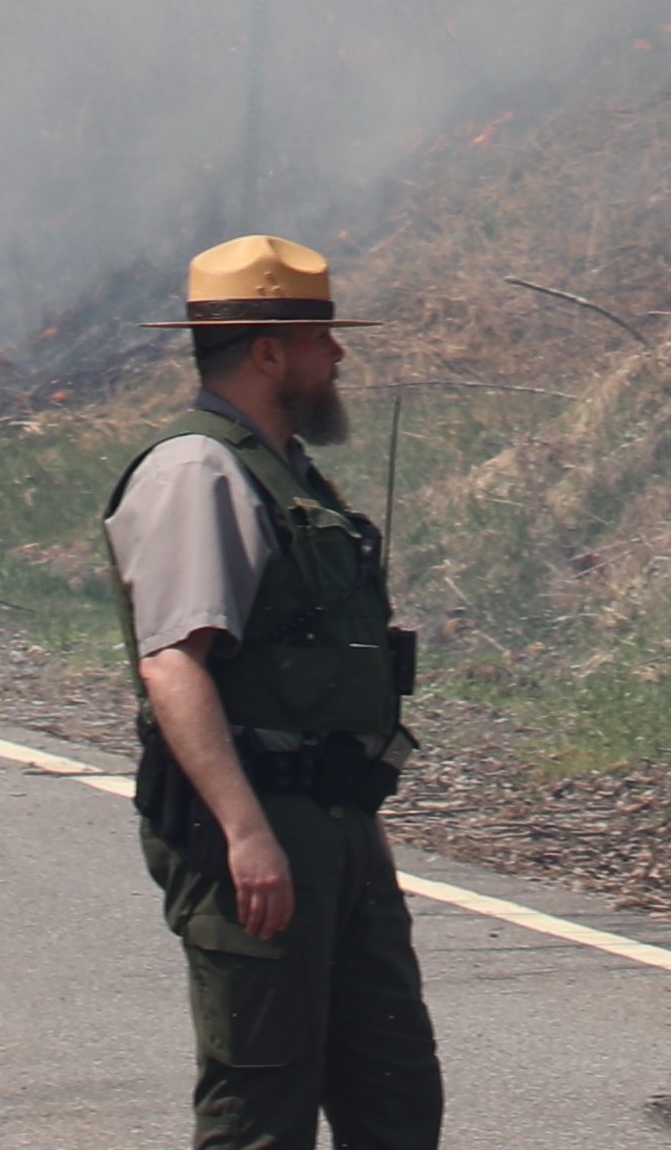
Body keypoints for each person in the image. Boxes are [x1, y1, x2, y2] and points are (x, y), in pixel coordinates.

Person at [101, 233, 434, 1150]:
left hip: (332, 825)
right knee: (264, 1110)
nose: (339, 356)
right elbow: (175, 662)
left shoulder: (283, 470)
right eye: (322, 338)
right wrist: (247, 836)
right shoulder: (196, 472)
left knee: (395, 1097)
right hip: (253, 826)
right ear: (269, 351)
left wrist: (354, 826)